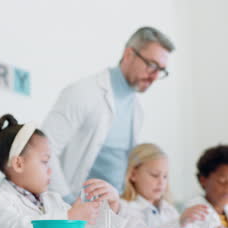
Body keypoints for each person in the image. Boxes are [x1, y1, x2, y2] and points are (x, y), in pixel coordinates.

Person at [42, 27, 175, 204]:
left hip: (114, 210)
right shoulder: (84, 93)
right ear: (129, 54)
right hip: (76, 208)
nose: (154, 76)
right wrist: (67, 200)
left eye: (161, 70)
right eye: (151, 65)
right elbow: (45, 149)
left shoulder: (136, 109)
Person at [0, 114, 126, 228]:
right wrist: (69, 217)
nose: (51, 171)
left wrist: (112, 208)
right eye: (44, 161)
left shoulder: (54, 201)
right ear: (19, 164)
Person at [118, 143, 205, 228]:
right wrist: (178, 222)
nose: (161, 182)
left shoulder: (168, 209)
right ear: (133, 174)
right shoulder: (124, 208)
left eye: (165, 176)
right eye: (155, 175)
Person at [183, 145, 228, 228]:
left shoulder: (225, 210)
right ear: (203, 180)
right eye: (222, 181)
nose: (227, 187)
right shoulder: (193, 211)